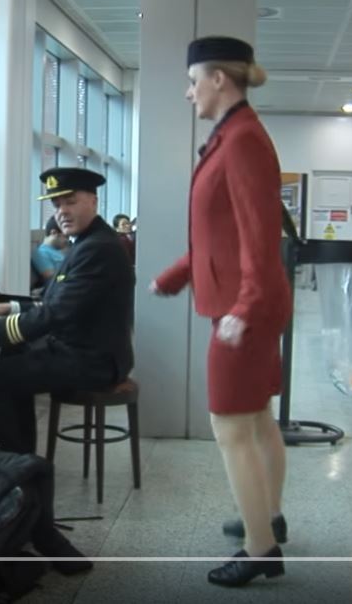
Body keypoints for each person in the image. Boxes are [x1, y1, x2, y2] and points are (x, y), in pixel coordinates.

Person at [150, 35, 291, 587]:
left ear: (217, 79)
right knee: (255, 418)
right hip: (245, 300)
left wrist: (246, 306)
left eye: (193, 82)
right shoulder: (232, 136)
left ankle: (260, 548)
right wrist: (176, 275)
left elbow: (260, 235)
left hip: (245, 306)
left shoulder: (243, 140)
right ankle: (269, 516)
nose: (189, 93)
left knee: (228, 424)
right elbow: (220, 234)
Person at [0, 167, 134, 456]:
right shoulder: (88, 241)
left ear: (93, 202)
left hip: (92, 361)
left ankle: (10, 467)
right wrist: (7, 307)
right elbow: (61, 301)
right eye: (57, 204)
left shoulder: (97, 248)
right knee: (13, 353)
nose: (62, 212)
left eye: (70, 202)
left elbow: (58, 312)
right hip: (87, 350)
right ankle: (21, 455)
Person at [31, 215, 68, 285]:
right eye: (66, 237)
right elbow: (53, 279)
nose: (67, 241)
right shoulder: (40, 253)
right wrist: (71, 276)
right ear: (54, 233)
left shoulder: (59, 252)